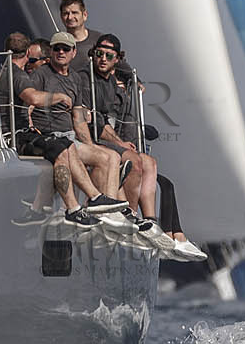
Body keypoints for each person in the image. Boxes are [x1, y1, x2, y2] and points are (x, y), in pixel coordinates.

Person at [83, 34, 205, 261]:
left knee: (156, 170)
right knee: (136, 163)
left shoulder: (114, 86)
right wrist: (120, 143)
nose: (103, 59)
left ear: (116, 60)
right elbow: (95, 122)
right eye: (99, 54)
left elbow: (114, 116)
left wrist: (131, 82)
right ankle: (131, 216)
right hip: (96, 141)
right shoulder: (86, 80)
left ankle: (154, 225)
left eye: (109, 56)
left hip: (112, 141)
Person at [14, 32, 129, 227]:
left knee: (111, 157)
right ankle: (93, 202)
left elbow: (78, 118)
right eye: (56, 48)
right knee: (73, 152)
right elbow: (30, 102)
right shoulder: (41, 73)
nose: (60, 52)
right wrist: (53, 101)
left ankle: (106, 211)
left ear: (74, 52)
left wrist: (91, 145)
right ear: (50, 51)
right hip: (50, 138)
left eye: (65, 49)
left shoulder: (75, 78)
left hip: (70, 136)